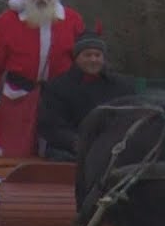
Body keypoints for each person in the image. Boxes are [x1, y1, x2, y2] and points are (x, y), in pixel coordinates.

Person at [0, 0, 85, 157]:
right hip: (18, 99)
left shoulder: (72, 20)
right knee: (13, 157)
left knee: (61, 157)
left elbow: (84, 62)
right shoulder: (7, 22)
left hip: (59, 102)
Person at [37, 27, 136, 161]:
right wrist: (81, 143)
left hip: (114, 151)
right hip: (71, 153)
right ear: (77, 58)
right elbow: (52, 127)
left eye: (97, 55)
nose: (93, 59)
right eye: (88, 55)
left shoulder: (123, 87)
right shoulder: (57, 87)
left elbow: (131, 120)